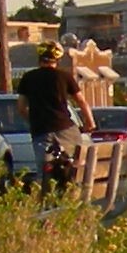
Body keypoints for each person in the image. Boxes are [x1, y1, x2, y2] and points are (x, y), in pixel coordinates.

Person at [15, 46, 87, 183]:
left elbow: (21, 107)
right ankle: (73, 191)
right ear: (57, 60)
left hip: (41, 130)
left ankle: (47, 197)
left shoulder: (28, 78)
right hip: (66, 128)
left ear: (39, 60)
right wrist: (90, 123)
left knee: (45, 171)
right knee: (75, 166)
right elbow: (82, 101)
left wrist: (33, 120)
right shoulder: (65, 77)